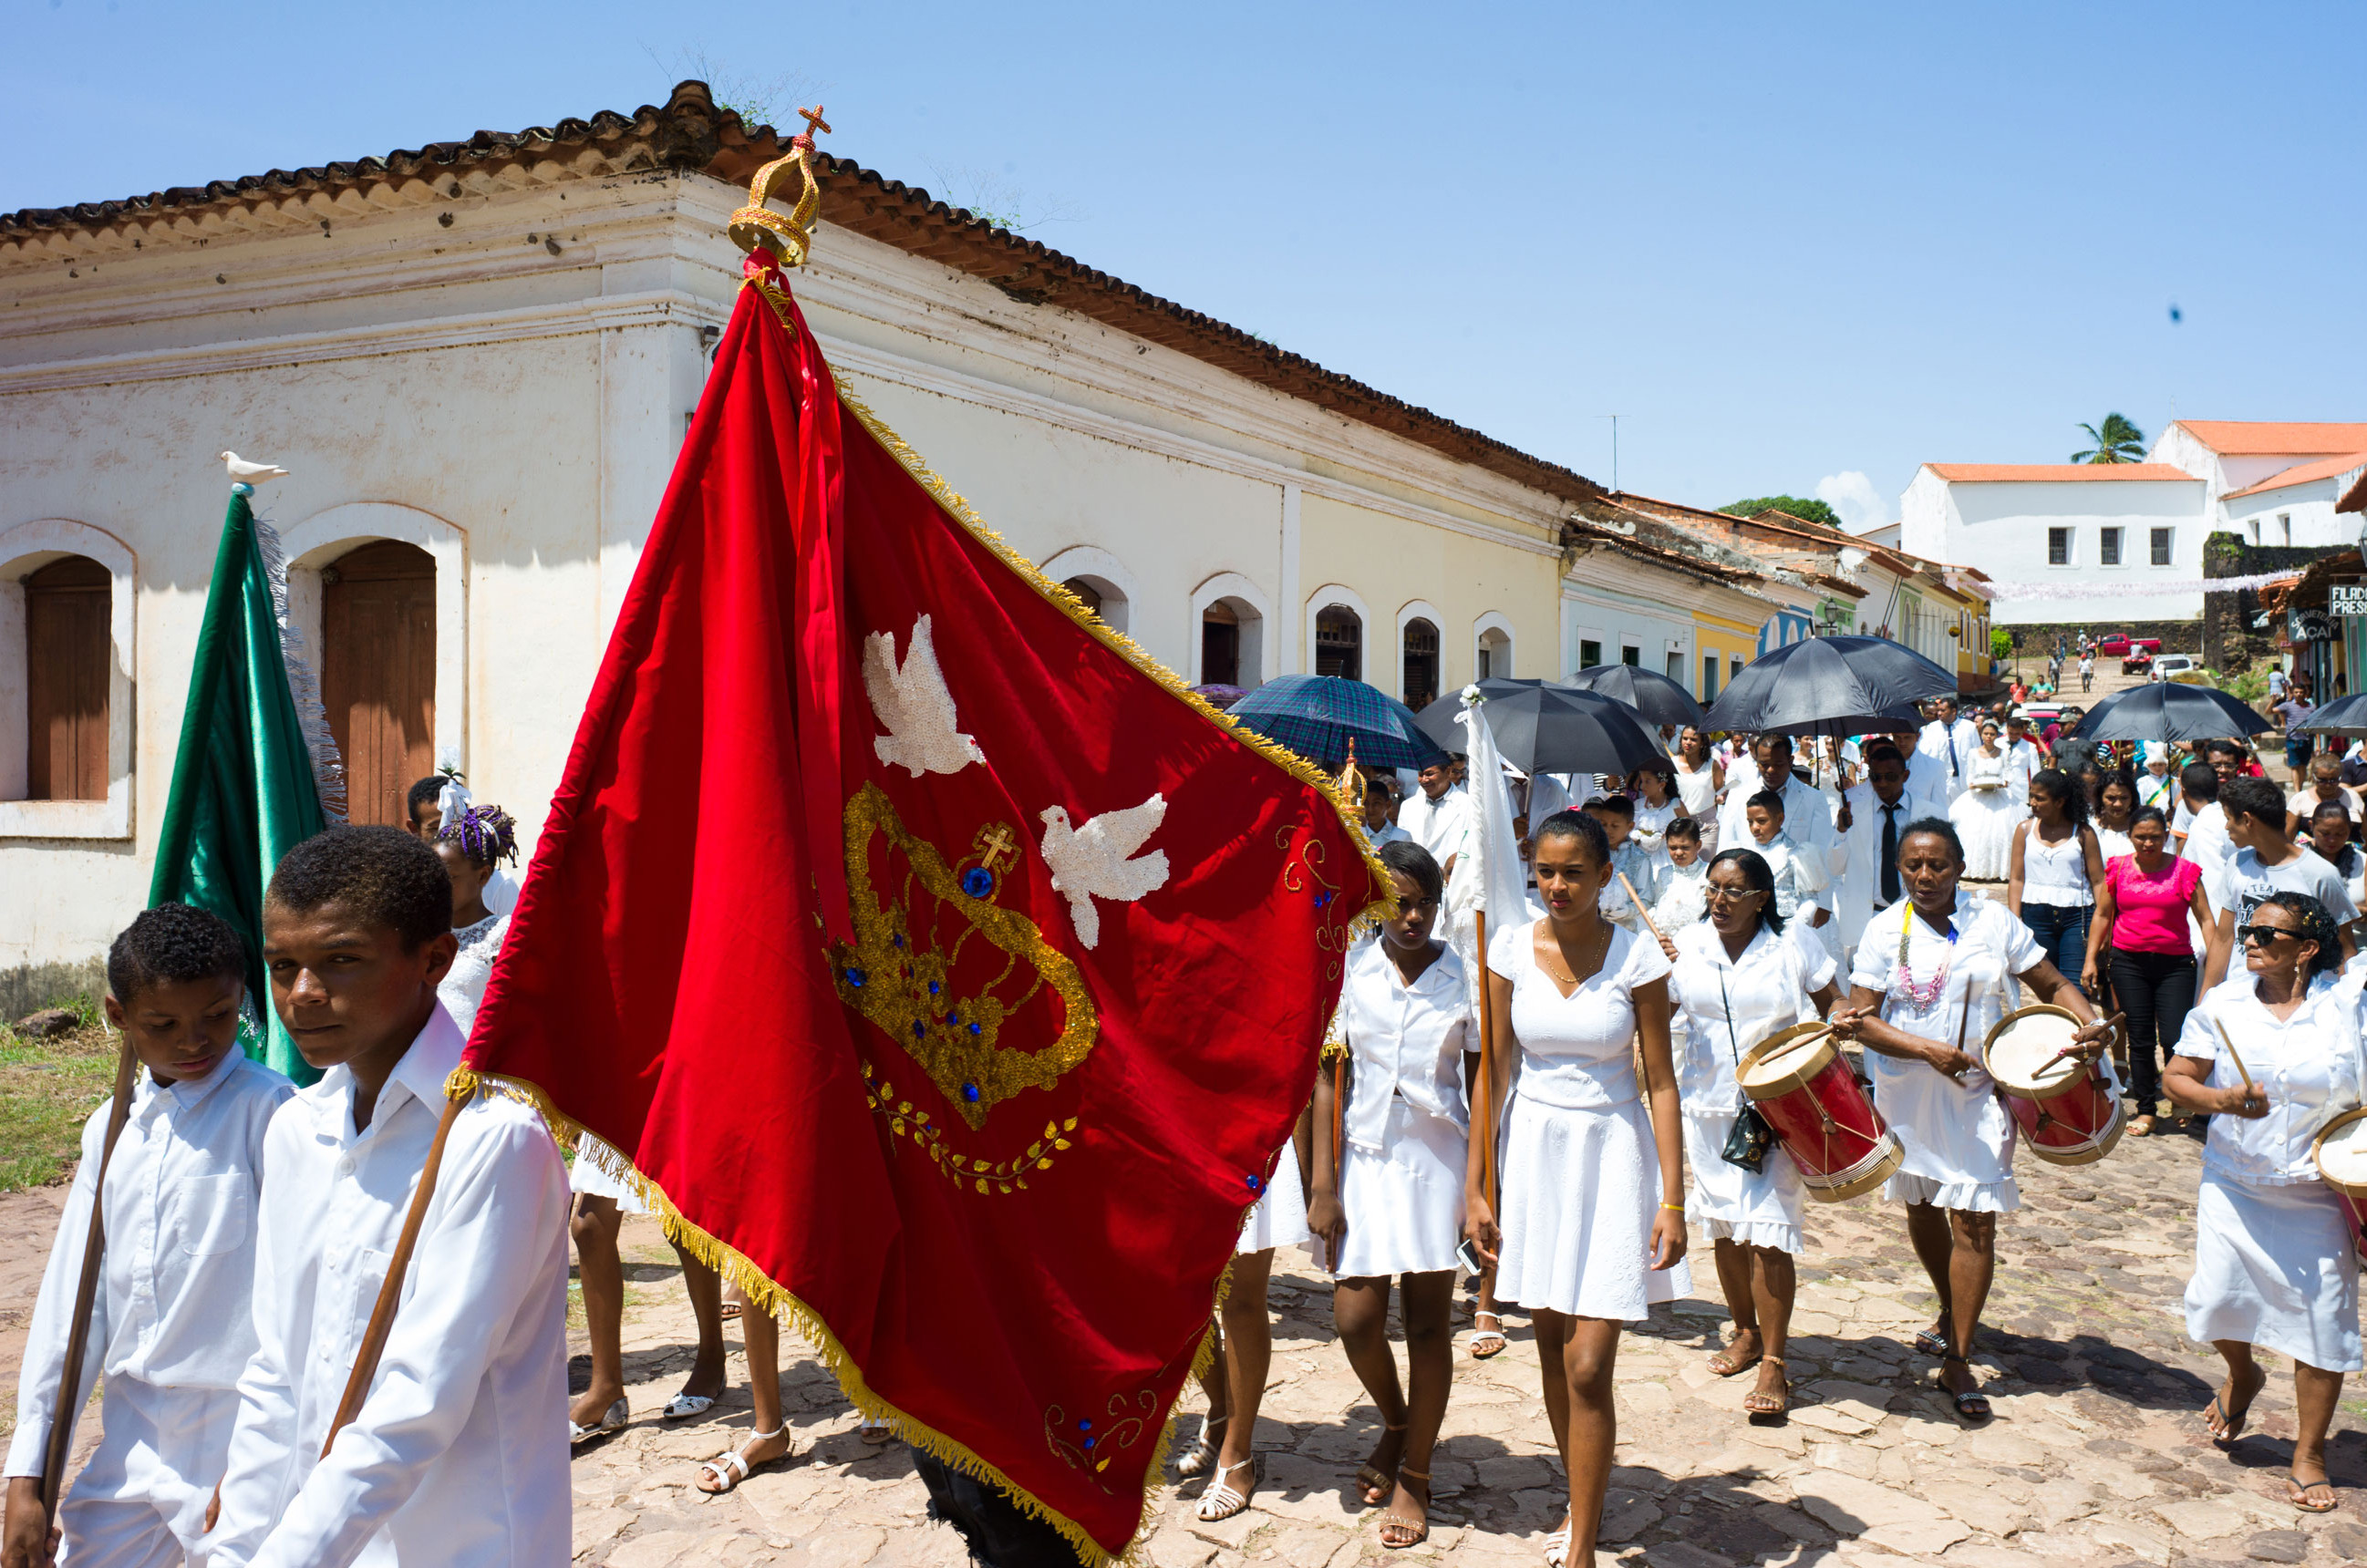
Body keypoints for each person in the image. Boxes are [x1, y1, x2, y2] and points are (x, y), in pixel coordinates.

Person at [206, 826, 573, 1568]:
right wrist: (236, 1550)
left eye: (341, 960)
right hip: (317, 1543)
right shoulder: (296, 1130)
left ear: (434, 960)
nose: (304, 995)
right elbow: (277, 1372)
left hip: (463, 1545)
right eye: (283, 966)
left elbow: (417, 1403)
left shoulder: (489, 1141)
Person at [3, 907, 293, 1568]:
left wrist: (265, 1456)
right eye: (163, 1025)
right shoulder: (110, 1131)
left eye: (217, 1016)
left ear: (241, 998)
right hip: (132, 1438)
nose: (195, 1041)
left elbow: (300, 1303)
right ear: (117, 1015)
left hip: (236, 1433)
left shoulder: (271, 1115)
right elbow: (73, 1309)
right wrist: (28, 1474)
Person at [1464, 811, 1688, 1568]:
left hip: (1614, 1154)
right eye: (1545, 871)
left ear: (1603, 874)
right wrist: (1476, 1188)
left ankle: (1584, 1547)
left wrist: (1673, 1199)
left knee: (1590, 1364)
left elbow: (1660, 1080)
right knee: (1555, 1353)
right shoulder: (1506, 949)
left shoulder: (1639, 961)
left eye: (1574, 872)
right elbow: (1492, 1074)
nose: (1557, 886)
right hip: (1533, 1153)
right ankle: (1578, 1496)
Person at [1831, 820, 2108, 1419]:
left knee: (1975, 1216)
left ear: (1959, 866)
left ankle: (1957, 1355)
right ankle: (1946, 1301)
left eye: (1937, 865)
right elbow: (1860, 1018)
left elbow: (2052, 981)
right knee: (1925, 1203)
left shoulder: (1994, 923)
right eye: (1912, 866)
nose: (1925, 876)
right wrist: (1928, 1050)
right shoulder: (1883, 930)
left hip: (1982, 1090)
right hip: (1910, 1090)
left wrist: (2084, 1022)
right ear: (1899, 869)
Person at [2167, 893, 2359, 1513]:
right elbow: (2177, 1078)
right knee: (2218, 1300)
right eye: (2248, 929)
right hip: (2235, 1182)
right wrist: (2222, 1102)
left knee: (2321, 1322)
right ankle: (2243, 1373)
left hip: (2316, 1190)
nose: (2248, 939)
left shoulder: (2346, 1003)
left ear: (2305, 950)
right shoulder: (2222, 1003)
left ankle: (2309, 1454)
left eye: (2266, 934)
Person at [1306, 841, 1471, 1549]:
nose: (1412, 917)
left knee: (1430, 1325)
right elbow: (1325, 1078)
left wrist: (1482, 1189)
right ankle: (1399, 1421)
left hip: (1437, 1160)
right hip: (1364, 1160)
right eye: (1399, 903)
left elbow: (1484, 1086)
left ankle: (1419, 1471)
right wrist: (1321, 1183)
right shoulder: (1349, 971)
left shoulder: (1465, 978)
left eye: (1425, 904)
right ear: (1377, 904)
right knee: (1355, 1318)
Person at [1663, 850, 1839, 1419]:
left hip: (1775, 1109)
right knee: (1726, 1226)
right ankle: (1742, 1330)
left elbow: (1835, 1005)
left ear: (1762, 897)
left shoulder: (1793, 946)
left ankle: (1774, 1362)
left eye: (1734, 891)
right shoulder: (1689, 946)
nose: (1719, 900)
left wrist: (1839, 1028)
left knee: (1769, 1230)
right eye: (1712, 888)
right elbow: (1661, 1007)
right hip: (1707, 1106)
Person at [1184, 1106, 1314, 1520]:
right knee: (1176, 1294)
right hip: (1168, 1111)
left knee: (1240, 1299)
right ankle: (1221, 1409)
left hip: (1250, 1116)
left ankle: (1236, 1456)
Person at [2084, 807, 2211, 1137]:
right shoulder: (2119, 869)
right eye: (2141, 836)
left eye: (2155, 836)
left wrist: (2216, 963)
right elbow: (2102, 914)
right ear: (2130, 836)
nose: (2148, 843)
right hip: (2129, 962)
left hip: (2176, 965)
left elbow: (2206, 919)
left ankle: (2181, 1099)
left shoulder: (2186, 872)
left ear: (2166, 836)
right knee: (2139, 1039)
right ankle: (2146, 1108)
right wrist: (2090, 958)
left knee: (2174, 1037)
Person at [2202, 778, 2361, 988]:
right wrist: (2205, 999)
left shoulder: (2320, 874)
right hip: (2241, 998)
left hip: (2301, 1002)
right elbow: (2223, 939)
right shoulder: (2237, 864)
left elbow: (2345, 949)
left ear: (2248, 820)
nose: (2226, 826)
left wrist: (2348, 1004)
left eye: (2229, 818)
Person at [1833, 744, 1944, 964]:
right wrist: (1841, 832)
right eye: (1876, 777)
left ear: (1905, 775)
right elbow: (1835, 867)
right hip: (1867, 917)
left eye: (1890, 777)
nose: (1882, 784)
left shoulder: (1930, 814)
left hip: (1916, 917)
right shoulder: (1853, 810)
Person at [2009, 769, 2106, 988]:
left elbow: (2098, 881)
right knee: (2047, 987)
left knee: (2076, 985)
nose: (2032, 802)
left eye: (2040, 798)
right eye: (2031, 796)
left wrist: (2103, 922)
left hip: (2077, 917)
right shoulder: (2023, 830)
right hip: (2035, 915)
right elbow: (2016, 879)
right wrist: (2015, 921)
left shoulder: (2083, 833)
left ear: (2060, 801)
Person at [1716, 736, 1840, 884]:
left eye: (1779, 764)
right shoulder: (1738, 797)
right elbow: (1725, 847)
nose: (1771, 770)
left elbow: (1822, 854)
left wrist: (1821, 905)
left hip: (1796, 892)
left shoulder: (1813, 799)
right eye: (1764, 764)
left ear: (1790, 761)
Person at [1741, 790, 1829, 930]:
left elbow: (1810, 899)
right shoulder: (1744, 852)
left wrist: (1794, 927)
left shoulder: (1795, 853)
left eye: (1761, 821)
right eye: (1750, 822)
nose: (1755, 827)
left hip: (1783, 925)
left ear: (1780, 819)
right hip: (1748, 926)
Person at [1948, 719, 2020, 882]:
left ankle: (1999, 869)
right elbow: (1970, 773)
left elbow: (2008, 772)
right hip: (1978, 794)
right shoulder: (1974, 752)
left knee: (2002, 831)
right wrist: (1971, 784)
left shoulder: (2003, 752)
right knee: (1974, 831)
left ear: (1997, 735)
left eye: (1992, 734)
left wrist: (2006, 782)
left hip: (1998, 793)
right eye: (1986, 734)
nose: (1988, 737)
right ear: (1981, 735)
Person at [1399, 756, 1473, 880]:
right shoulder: (1408, 806)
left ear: (1448, 772)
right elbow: (1404, 847)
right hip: (1417, 881)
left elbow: (1471, 846)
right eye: (1420, 774)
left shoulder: (1468, 804)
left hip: (1453, 882)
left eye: (1429, 774)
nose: (1424, 780)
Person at [1587, 796, 1651, 932]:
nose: (1608, 830)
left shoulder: (1640, 859)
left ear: (1630, 826)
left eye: (1615, 826)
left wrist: (1627, 911)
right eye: (1603, 824)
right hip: (1590, 925)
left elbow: (1646, 899)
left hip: (1624, 929)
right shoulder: (1590, 852)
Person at [2306, 802, 2367, 944]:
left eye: (2340, 834)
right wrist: (2352, 911)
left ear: (2350, 828)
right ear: (2311, 826)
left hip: (2358, 941)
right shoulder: (2294, 860)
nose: (2332, 840)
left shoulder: (2363, 861)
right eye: (2325, 833)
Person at [1649, 817, 1711, 932]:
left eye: (1685, 847)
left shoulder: (1708, 873)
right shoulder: (1664, 874)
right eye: (1673, 848)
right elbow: (1657, 905)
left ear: (1698, 845)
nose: (1678, 853)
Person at [1915, 698, 1979, 802]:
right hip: (1941, 781)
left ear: (1953, 711)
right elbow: (1924, 753)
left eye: (1943, 710)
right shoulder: (1930, 729)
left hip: (1963, 780)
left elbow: (1976, 753)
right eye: (1938, 710)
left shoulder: (1969, 727)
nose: (1939, 713)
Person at [1627, 758, 1688, 862]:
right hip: (1639, 858)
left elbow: (1688, 831)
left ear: (1662, 784)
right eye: (1641, 781)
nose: (1642, 786)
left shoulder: (1675, 805)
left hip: (1666, 859)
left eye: (1647, 782)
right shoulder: (1638, 805)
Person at [1673, 728, 1723, 856]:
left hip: (1706, 827)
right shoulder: (1672, 763)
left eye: (1693, 739)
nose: (1688, 742)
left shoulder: (1712, 765)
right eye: (1685, 738)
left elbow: (1721, 791)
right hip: (1678, 826)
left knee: (1705, 869)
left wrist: (1721, 797)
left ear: (1702, 743)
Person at [2288, 754, 2361, 840]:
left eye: (2333, 780)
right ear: (2313, 777)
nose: (2328, 785)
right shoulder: (2299, 799)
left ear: (2340, 778)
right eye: (2322, 780)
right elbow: (2288, 838)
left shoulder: (2353, 797)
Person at [2093, 770, 2140, 863]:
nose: (2118, 804)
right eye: (2111, 798)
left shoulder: (2142, 826)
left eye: (2124, 798)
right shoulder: (2089, 829)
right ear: (2100, 798)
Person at [1360, 771, 1411, 848]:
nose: (1370, 809)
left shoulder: (1402, 837)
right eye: (1366, 803)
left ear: (1388, 804)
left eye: (1376, 803)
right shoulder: (1357, 836)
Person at [2275, 689, 2318, 777]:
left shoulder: (2311, 707)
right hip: (2292, 740)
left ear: (2305, 694)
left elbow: (2316, 726)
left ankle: (2299, 788)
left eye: (2301, 692)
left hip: (2306, 740)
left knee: (2303, 766)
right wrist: (2272, 701)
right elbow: (2268, 712)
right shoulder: (2288, 706)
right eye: (2296, 692)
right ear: (2293, 694)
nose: (2299, 694)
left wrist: (2319, 745)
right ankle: (2297, 789)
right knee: (2294, 766)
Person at [2003, 716, 2045, 802]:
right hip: (2001, 786)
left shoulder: (2030, 747)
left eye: (2017, 734)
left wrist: (2035, 790)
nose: (2014, 736)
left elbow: (2035, 771)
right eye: (2011, 733)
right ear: (2007, 729)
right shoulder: (1998, 743)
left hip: (2020, 788)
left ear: (2022, 731)